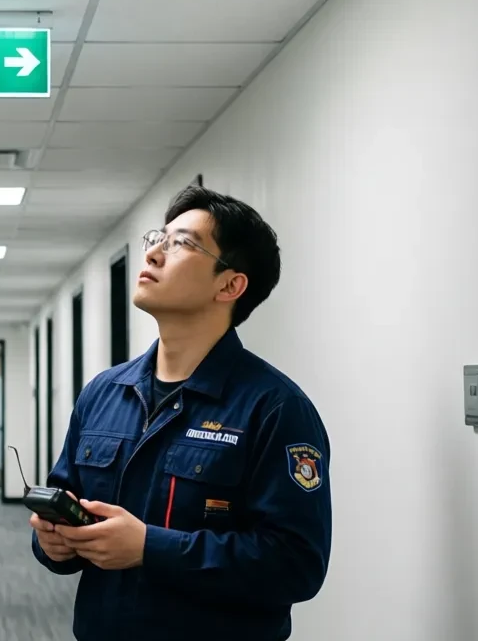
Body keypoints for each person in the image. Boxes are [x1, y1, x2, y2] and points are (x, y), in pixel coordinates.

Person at [29, 185, 332, 641]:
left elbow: (295, 565)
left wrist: (150, 548)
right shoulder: (104, 393)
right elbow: (65, 501)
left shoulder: (274, 408)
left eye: (182, 244)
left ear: (230, 284)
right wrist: (54, 543)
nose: (151, 254)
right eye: (157, 239)